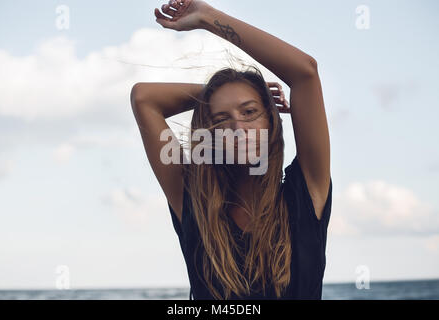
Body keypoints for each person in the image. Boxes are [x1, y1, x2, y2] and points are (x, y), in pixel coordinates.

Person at [130, 0, 332, 300]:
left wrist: (207, 17)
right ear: (209, 135)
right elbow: (144, 98)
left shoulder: (305, 197)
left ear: (271, 121)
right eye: (222, 119)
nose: (238, 128)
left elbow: (305, 71)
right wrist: (220, 92)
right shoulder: (193, 203)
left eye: (250, 112)